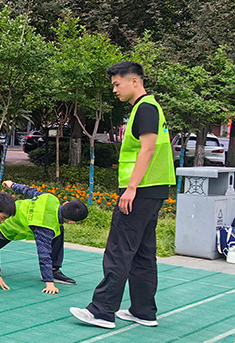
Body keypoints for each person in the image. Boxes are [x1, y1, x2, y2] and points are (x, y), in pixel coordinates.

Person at [71, 61, 175, 329]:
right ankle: (143, 311)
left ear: (135, 82)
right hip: (153, 190)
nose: (114, 90)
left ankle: (102, 311)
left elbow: (148, 150)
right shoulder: (147, 108)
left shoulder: (146, 109)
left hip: (139, 191)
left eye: (117, 84)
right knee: (142, 252)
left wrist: (131, 189)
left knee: (119, 249)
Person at [0, 180, 89, 294]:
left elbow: (29, 191)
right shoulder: (45, 227)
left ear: (65, 203)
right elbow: (44, 254)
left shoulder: (50, 198)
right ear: (71, 222)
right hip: (4, 227)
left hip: (10, 213)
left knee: (59, 229)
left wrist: (13, 185)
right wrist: (49, 283)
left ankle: (53, 270)